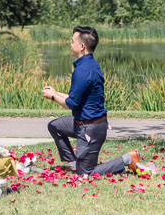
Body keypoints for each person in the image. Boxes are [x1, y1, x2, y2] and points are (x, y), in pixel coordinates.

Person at [42, 26, 139, 177]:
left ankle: (127, 159)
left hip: (89, 129)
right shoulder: (90, 65)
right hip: (83, 122)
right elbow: (77, 99)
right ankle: (73, 163)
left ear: (82, 46)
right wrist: (55, 92)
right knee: (54, 126)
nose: (70, 44)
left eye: (72, 41)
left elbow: (71, 104)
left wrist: (53, 97)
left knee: (86, 173)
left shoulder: (82, 71)